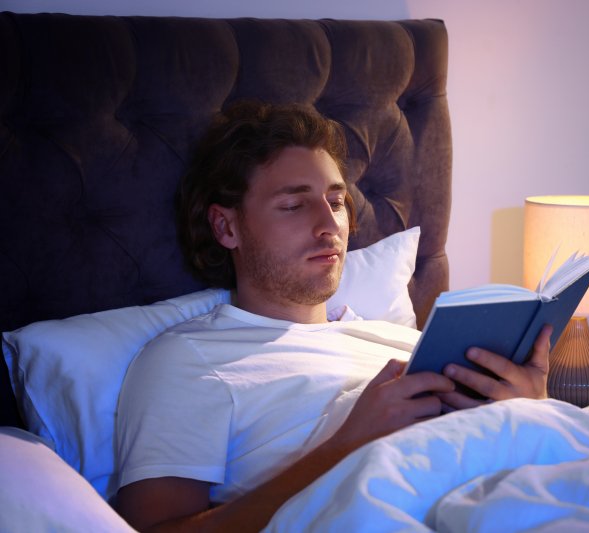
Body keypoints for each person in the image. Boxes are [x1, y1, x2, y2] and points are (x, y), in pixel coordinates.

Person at [114, 101, 552, 532]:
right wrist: (347, 447)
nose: (331, 225)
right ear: (226, 227)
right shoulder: (188, 360)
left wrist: (532, 410)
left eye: (337, 201)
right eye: (294, 205)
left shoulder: (403, 341)